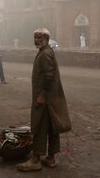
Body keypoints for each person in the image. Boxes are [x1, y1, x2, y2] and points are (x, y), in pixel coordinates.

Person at [17, 28, 71, 172]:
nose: (36, 40)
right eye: (35, 38)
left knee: (39, 126)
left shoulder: (45, 53)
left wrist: (42, 95)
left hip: (45, 98)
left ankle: (36, 159)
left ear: (46, 39)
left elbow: (48, 76)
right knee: (52, 128)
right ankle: (51, 158)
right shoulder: (45, 52)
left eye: (39, 38)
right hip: (49, 99)